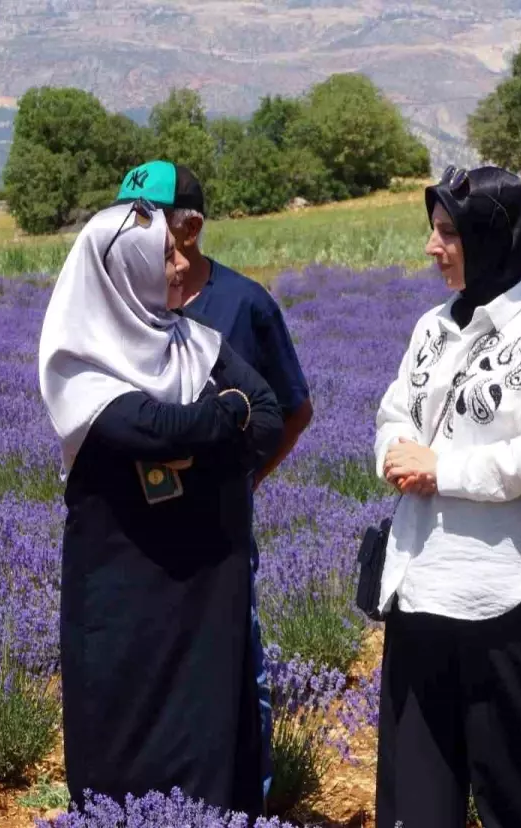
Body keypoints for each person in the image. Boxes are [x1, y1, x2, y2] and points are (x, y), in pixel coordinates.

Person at [38, 200, 283, 814]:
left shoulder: (198, 342)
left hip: (205, 588)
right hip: (126, 599)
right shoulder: (79, 364)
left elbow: (270, 416)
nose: (182, 264)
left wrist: (199, 440)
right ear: (123, 272)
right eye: (166, 255)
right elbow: (151, 427)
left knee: (209, 728)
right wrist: (226, 417)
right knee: (123, 733)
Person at [372, 165, 521, 828]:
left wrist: (440, 468)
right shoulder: (431, 327)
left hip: (505, 594)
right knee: (419, 791)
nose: (433, 248)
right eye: (433, 231)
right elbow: (390, 415)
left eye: (448, 234)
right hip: (419, 585)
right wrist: (394, 456)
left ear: (492, 237)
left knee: (518, 791)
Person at [116, 160, 314, 805]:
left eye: (144, 219)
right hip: (139, 532)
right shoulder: (123, 305)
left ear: (191, 227)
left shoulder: (244, 303)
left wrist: (247, 479)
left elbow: (292, 408)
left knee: (235, 664)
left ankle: (242, 803)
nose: (129, 232)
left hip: (221, 526)